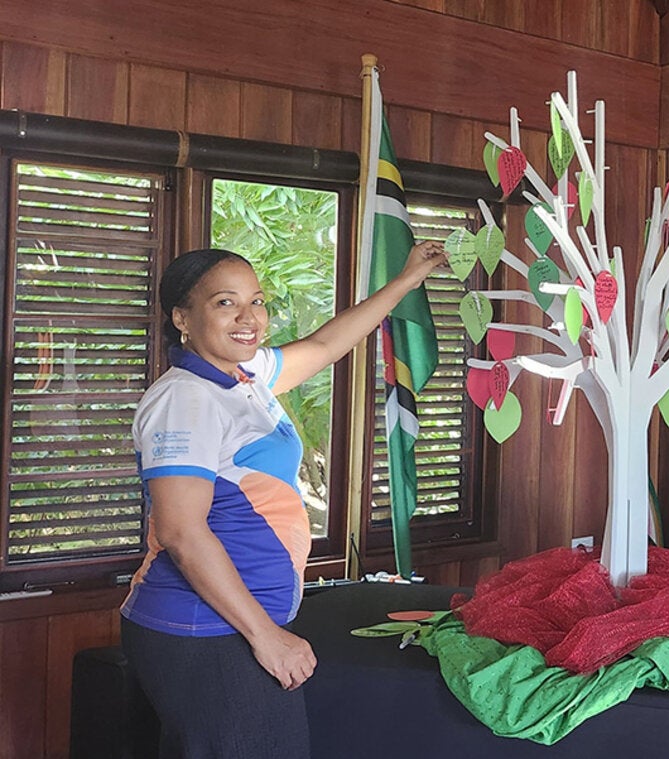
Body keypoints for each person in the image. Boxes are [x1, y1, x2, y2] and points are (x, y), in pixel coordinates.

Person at [120, 241, 446, 758]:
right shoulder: (186, 397)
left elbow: (323, 346)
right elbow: (182, 533)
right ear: (182, 317)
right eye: (225, 303)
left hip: (239, 624)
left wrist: (407, 279)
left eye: (258, 301)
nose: (249, 318)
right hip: (206, 630)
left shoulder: (243, 379)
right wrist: (266, 637)